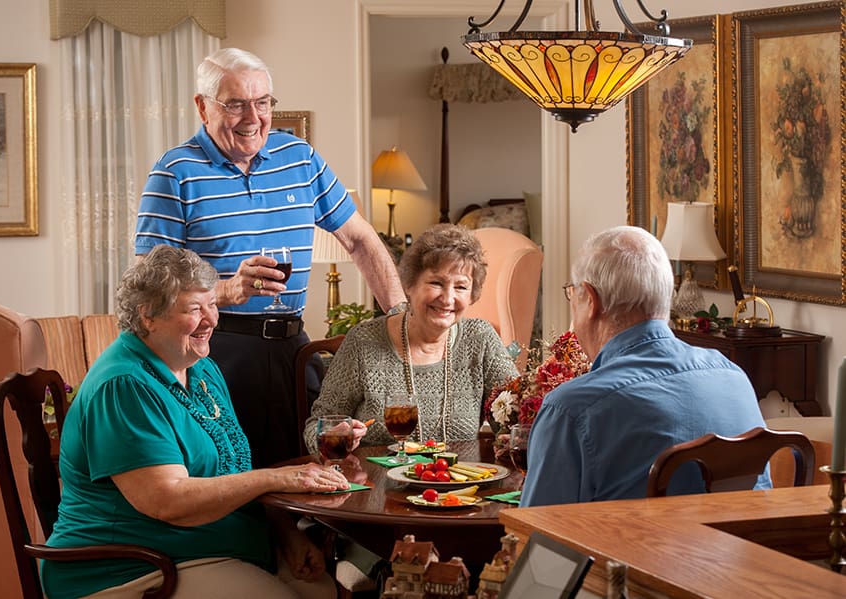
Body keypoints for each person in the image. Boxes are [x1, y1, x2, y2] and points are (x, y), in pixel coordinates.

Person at [134, 47, 404, 468]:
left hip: (294, 351)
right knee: (233, 479)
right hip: (217, 351)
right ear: (203, 107)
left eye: (262, 103)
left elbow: (361, 240)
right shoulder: (174, 172)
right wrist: (225, 290)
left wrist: (401, 317)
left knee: (317, 470)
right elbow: (146, 289)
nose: (253, 117)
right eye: (236, 103)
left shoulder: (301, 157)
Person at [42, 245, 350, 599]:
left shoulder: (200, 367)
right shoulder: (124, 386)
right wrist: (278, 477)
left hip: (208, 548)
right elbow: (167, 501)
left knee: (320, 590)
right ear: (148, 316)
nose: (211, 320)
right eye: (194, 309)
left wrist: (287, 534)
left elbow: (235, 473)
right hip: (130, 566)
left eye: (212, 305)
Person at [520, 225, 770, 507]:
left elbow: (538, 542)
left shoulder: (572, 410)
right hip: (744, 550)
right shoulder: (733, 378)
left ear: (590, 301)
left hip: (629, 552)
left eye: (572, 294)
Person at [304, 223, 518, 454]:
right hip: (376, 485)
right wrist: (335, 437)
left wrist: (512, 439)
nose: (448, 299)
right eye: (436, 283)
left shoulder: (480, 339)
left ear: (472, 294)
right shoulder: (363, 342)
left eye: (461, 287)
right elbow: (315, 428)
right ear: (410, 285)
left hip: (458, 486)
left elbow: (515, 419)